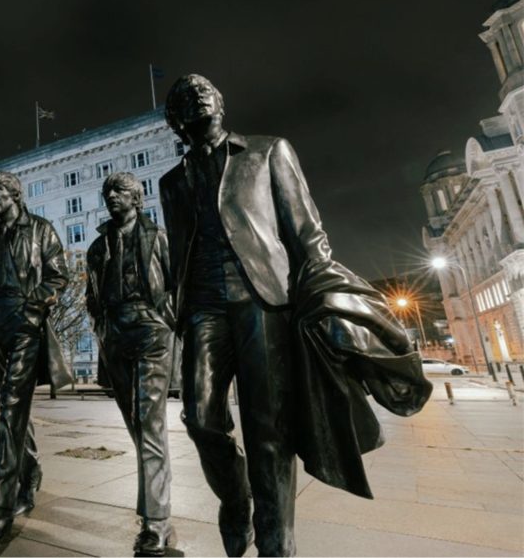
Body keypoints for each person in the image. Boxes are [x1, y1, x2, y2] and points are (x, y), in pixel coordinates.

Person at [159, 74, 429, 556]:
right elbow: (179, 249)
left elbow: (306, 232)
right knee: (201, 418)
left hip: (265, 302)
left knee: (269, 427)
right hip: (202, 307)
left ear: (220, 100)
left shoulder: (267, 152)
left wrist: (324, 295)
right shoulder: (171, 182)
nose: (196, 93)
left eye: (204, 88)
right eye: (183, 95)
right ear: (175, 119)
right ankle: (235, 497)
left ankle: (276, 543)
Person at [0, 170, 72, 538]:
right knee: (11, 410)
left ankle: (1, 504)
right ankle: (30, 474)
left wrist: (34, 309)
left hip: (25, 324)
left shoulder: (41, 229)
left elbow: (59, 275)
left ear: (14, 193)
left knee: (12, 409)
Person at [85, 172, 176, 557]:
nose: (111, 197)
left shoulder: (158, 237)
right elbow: (92, 295)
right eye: (107, 192)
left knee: (150, 421)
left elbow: (174, 283)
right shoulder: (97, 246)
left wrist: (166, 319)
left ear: (137, 198)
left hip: (152, 331)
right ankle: (154, 506)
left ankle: (156, 523)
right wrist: (101, 327)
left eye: (119, 191)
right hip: (116, 335)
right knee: (137, 426)